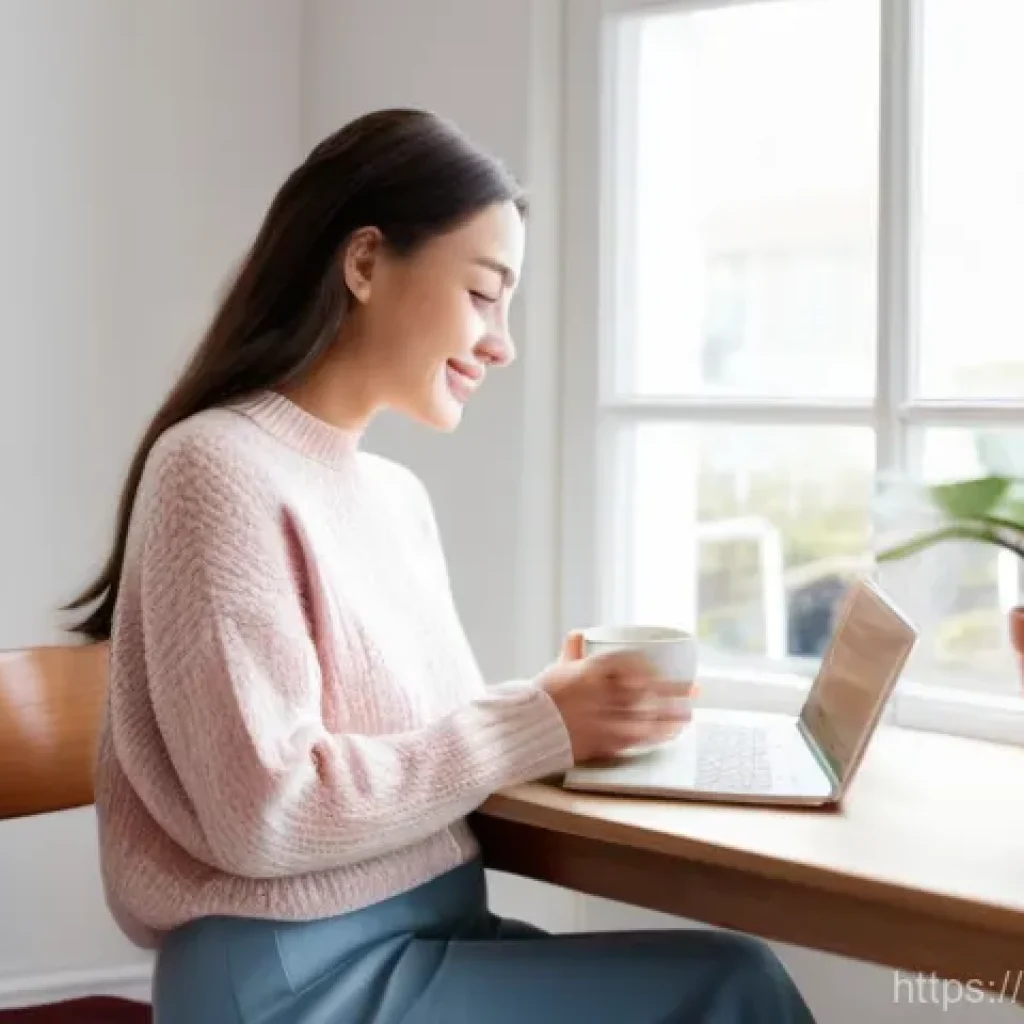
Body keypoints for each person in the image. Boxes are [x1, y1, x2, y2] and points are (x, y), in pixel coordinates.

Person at [70, 108, 816, 1023]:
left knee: (728, 979)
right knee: (730, 989)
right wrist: (534, 722)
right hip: (289, 980)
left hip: (425, 936)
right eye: (482, 294)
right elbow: (267, 810)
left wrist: (562, 709)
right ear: (366, 263)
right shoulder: (214, 466)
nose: (503, 342)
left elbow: (417, 752)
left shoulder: (395, 498)